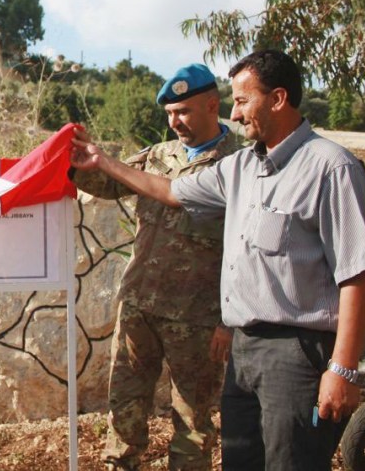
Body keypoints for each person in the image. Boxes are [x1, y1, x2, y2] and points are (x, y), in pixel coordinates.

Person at [70, 49, 365, 470]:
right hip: (246, 355)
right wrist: (101, 160)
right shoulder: (240, 167)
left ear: (278, 98)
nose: (234, 115)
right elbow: (169, 192)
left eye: (241, 101)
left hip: (295, 356)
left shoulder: (331, 168)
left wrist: (342, 370)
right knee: (241, 461)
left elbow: (356, 275)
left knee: (291, 462)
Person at [73, 63, 241, 470]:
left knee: (193, 421)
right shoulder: (156, 156)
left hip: (198, 318)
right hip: (139, 308)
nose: (174, 121)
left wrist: (228, 321)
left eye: (182, 111)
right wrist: (76, 158)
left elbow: (246, 248)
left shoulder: (240, 163)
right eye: (169, 114)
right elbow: (107, 184)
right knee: (124, 412)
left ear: (211, 104)